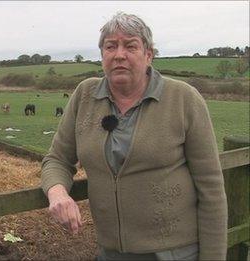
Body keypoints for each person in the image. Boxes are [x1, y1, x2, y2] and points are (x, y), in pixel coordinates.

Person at [41, 12, 227, 260]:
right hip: (111, 252)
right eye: (111, 46)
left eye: (130, 46)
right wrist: (57, 192)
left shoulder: (183, 99)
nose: (119, 54)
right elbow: (57, 159)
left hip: (174, 253)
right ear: (102, 55)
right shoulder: (85, 96)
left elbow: (211, 189)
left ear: (148, 55)